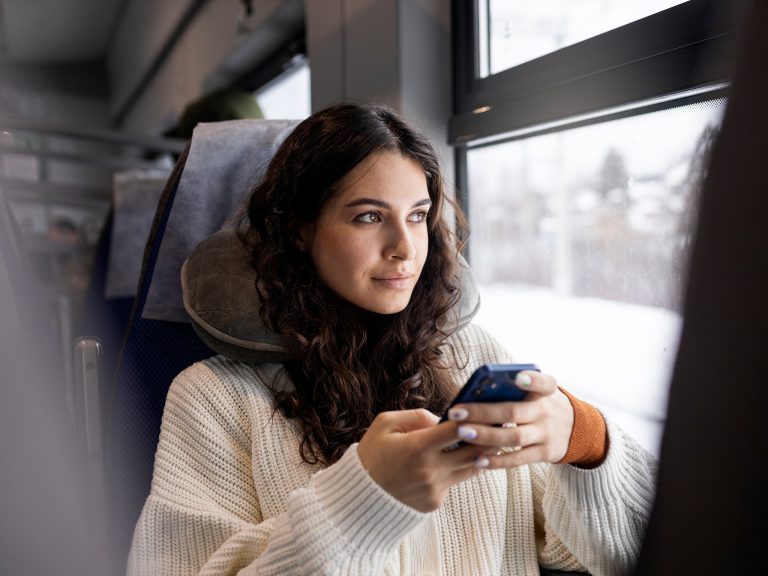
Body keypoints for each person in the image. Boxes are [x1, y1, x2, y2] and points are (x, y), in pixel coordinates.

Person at [127, 102, 657, 576]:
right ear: (299, 229)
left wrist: (586, 442)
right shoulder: (211, 397)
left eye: (418, 216)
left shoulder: (475, 355)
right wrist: (362, 505)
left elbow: (626, 551)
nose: (405, 247)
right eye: (369, 217)